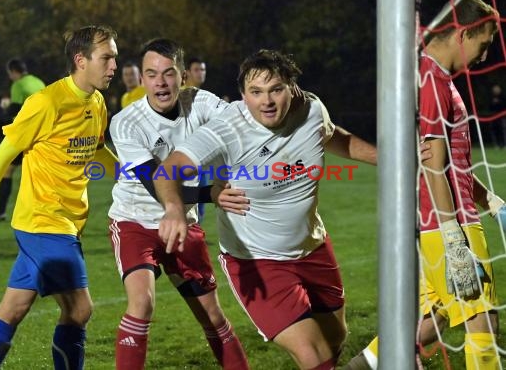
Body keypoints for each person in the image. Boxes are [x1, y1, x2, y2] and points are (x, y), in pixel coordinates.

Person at [153, 49, 379, 370]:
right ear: (244, 95)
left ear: (292, 88)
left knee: (334, 342)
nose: (267, 101)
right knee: (316, 357)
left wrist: (387, 156)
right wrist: (175, 209)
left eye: (275, 89)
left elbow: (330, 136)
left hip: (313, 249)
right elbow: (167, 171)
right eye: (256, 92)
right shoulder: (226, 129)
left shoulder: (311, 110)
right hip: (257, 263)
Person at [345, 0, 506, 369]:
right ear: (463, 33)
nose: (484, 57)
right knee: (482, 324)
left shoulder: (432, 76)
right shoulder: (432, 78)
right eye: (484, 45)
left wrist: (492, 201)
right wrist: (453, 238)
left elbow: (453, 161)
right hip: (451, 225)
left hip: (438, 222)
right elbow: (433, 163)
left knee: (427, 323)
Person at [0, 25, 119, 370]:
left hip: (66, 224)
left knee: (13, 308)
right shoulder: (46, 103)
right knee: (79, 309)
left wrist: (135, 174)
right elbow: (3, 156)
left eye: (114, 58)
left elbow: (97, 151)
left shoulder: (97, 102)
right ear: (81, 60)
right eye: (106, 58)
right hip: (44, 222)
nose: (113, 66)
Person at [108, 38, 249, 370]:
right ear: (141, 79)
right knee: (141, 304)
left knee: (213, 316)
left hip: (184, 222)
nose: (161, 82)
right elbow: (157, 184)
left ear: (183, 76)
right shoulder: (126, 123)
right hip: (135, 221)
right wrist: (211, 195)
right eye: (152, 74)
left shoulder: (200, 102)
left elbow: (243, 123)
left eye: (169, 73)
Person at [0, 58, 46, 221]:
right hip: (44, 133)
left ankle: (1, 211)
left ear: (14, 72)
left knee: (7, 170)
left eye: (10, 74)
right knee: (39, 174)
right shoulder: (38, 82)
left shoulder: (18, 85)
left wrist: (4, 109)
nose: (10, 77)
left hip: (27, 133)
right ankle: (44, 212)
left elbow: (15, 108)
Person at [184, 57, 208, 223]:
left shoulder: (205, 97)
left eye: (203, 70)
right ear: (187, 73)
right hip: (186, 159)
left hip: (203, 158)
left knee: (200, 206)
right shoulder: (182, 97)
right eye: (197, 70)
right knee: (187, 204)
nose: (200, 73)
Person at [488, 84, 505, 148]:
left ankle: (504, 144)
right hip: (493, 116)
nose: (495, 90)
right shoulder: (491, 97)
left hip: (501, 116)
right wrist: (493, 103)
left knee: (503, 130)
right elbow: (490, 107)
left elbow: (503, 106)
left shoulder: (503, 97)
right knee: (494, 131)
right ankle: (496, 144)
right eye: (494, 89)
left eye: (496, 89)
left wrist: (498, 102)